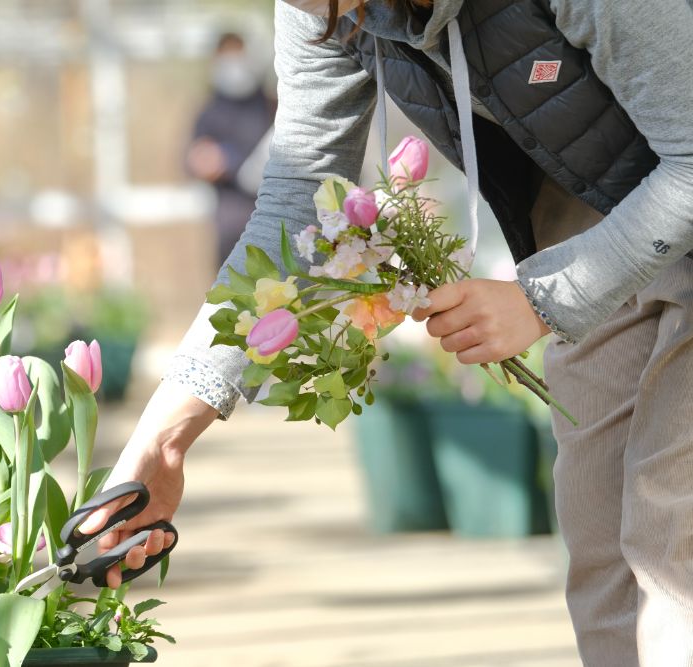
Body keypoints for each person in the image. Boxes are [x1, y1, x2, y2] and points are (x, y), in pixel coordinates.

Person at [80, 1, 693, 663]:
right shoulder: (321, 11)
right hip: (593, 227)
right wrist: (162, 441)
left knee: (671, 549)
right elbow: (297, 201)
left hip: (666, 193)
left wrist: (539, 301)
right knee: (603, 562)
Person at [186, 32, 275, 268]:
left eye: (239, 53)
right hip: (231, 221)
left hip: (274, 214)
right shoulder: (209, 111)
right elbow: (191, 159)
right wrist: (206, 161)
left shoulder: (270, 104)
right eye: (228, 55)